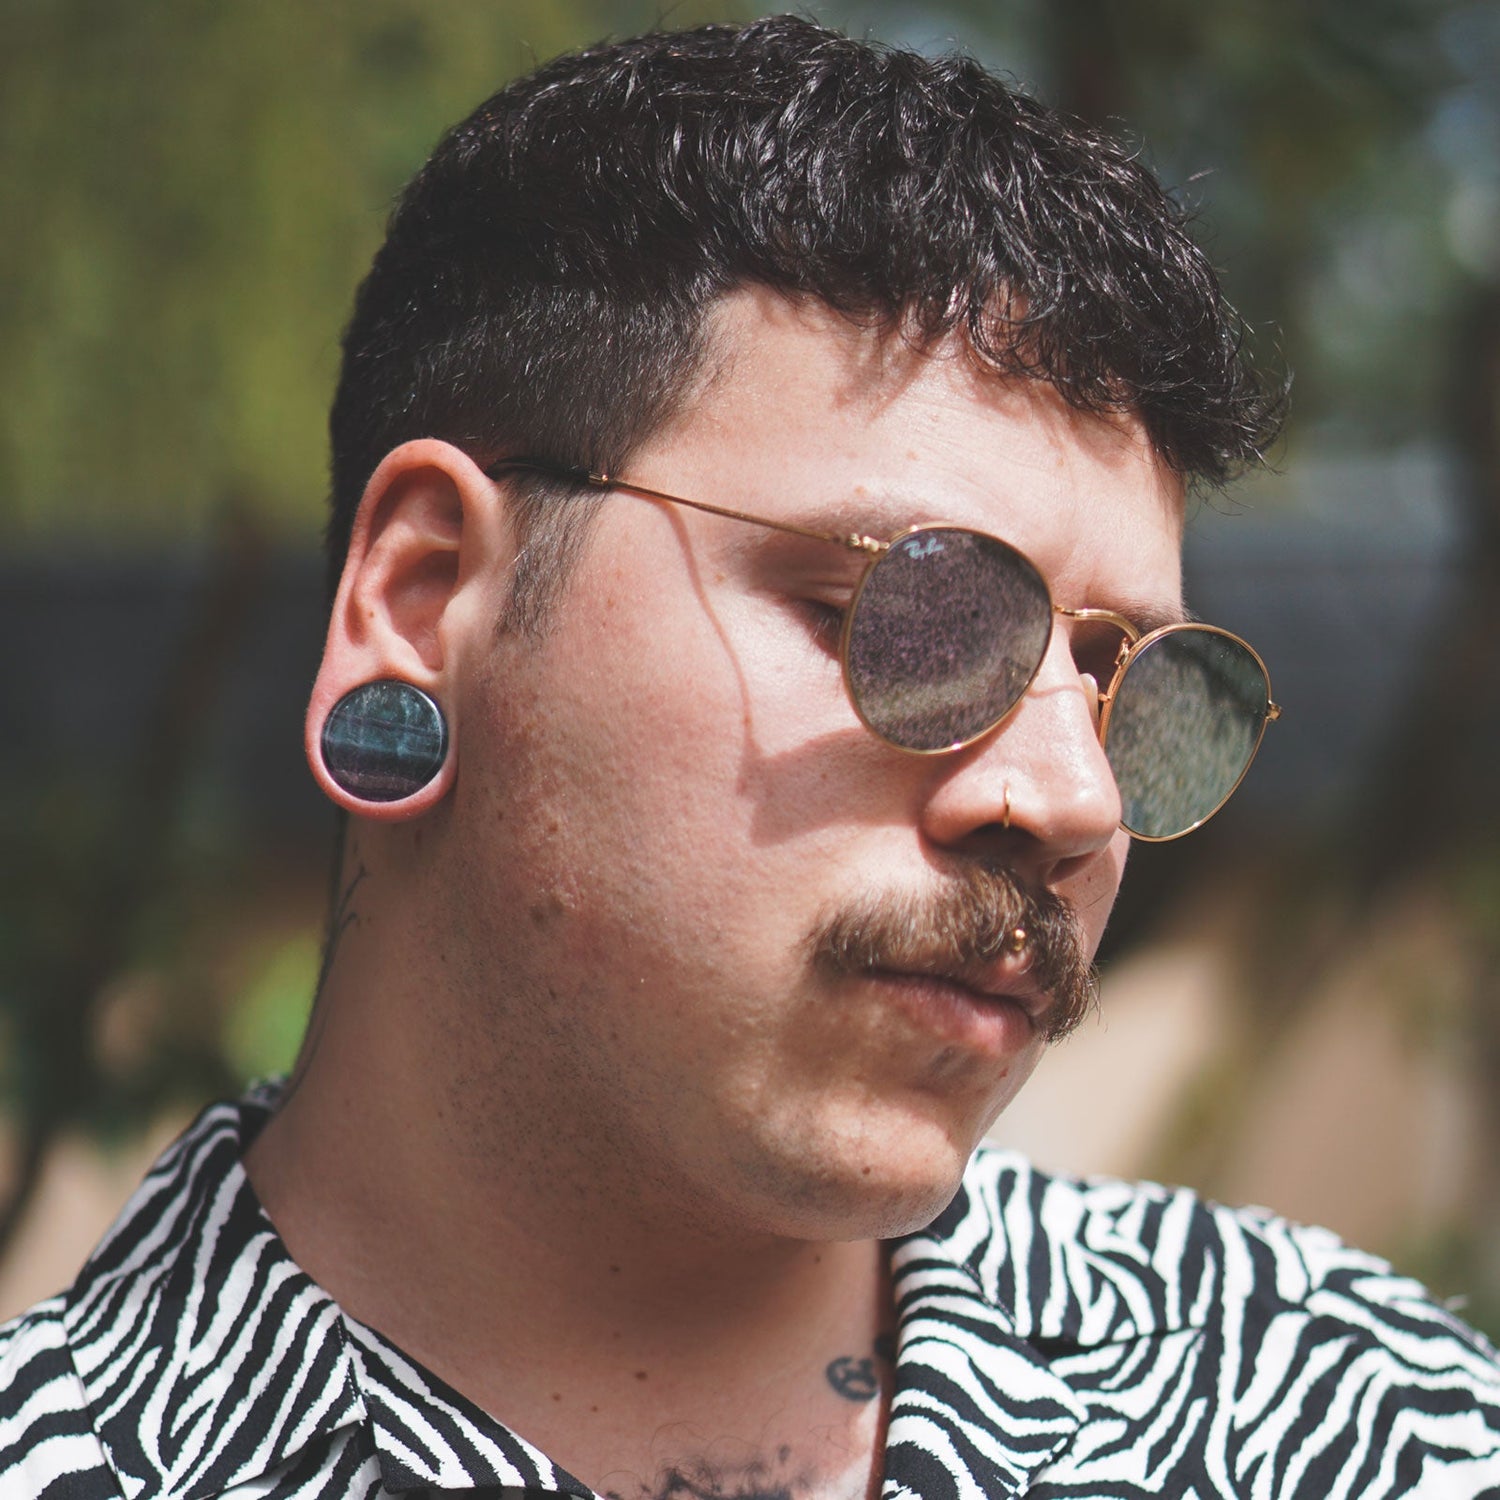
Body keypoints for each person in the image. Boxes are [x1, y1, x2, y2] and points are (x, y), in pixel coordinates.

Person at [4, 15, 1498, 1499]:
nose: (1070, 798)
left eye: (1131, 689)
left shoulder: (1358, 1416)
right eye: (911, 620)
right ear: (422, 600)